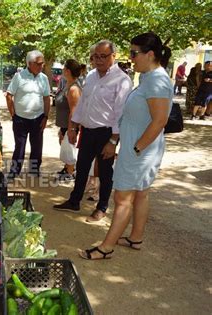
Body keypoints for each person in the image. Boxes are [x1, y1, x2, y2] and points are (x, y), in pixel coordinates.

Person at [79, 32, 173, 260]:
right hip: (140, 150)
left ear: (150, 54)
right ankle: (135, 238)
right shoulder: (150, 77)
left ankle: (106, 247)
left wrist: (136, 148)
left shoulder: (157, 80)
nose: (131, 58)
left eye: (134, 53)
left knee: (122, 199)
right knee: (141, 194)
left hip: (140, 151)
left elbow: (160, 120)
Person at [53, 40, 132, 222]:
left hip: (107, 134)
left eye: (103, 56)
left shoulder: (122, 80)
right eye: (95, 56)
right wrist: (73, 126)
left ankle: (102, 207)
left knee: (105, 173)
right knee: (81, 168)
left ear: (114, 56)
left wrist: (113, 141)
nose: (98, 60)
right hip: (87, 131)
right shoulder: (90, 76)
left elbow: (121, 114)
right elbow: (82, 104)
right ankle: (74, 201)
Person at [7, 50, 50, 178]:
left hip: (38, 118)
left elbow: (46, 98)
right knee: (19, 146)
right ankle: (14, 172)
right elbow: (9, 95)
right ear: (30, 63)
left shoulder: (44, 78)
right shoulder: (19, 77)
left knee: (37, 146)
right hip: (20, 118)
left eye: (43, 63)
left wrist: (46, 117)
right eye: (39, 63)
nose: (41, 66)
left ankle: (34, 170)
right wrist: (13, 115)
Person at [55, 59, 83, 181]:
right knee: (65, 147)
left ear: (67, 71)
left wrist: (72, 129)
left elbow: (74, 111)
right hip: (64, 124)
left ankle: (70, 171)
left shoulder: (74, 89)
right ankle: (67, 168)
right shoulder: (67, 85)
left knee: (69, 149)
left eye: (63, 68)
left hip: (70, 125)